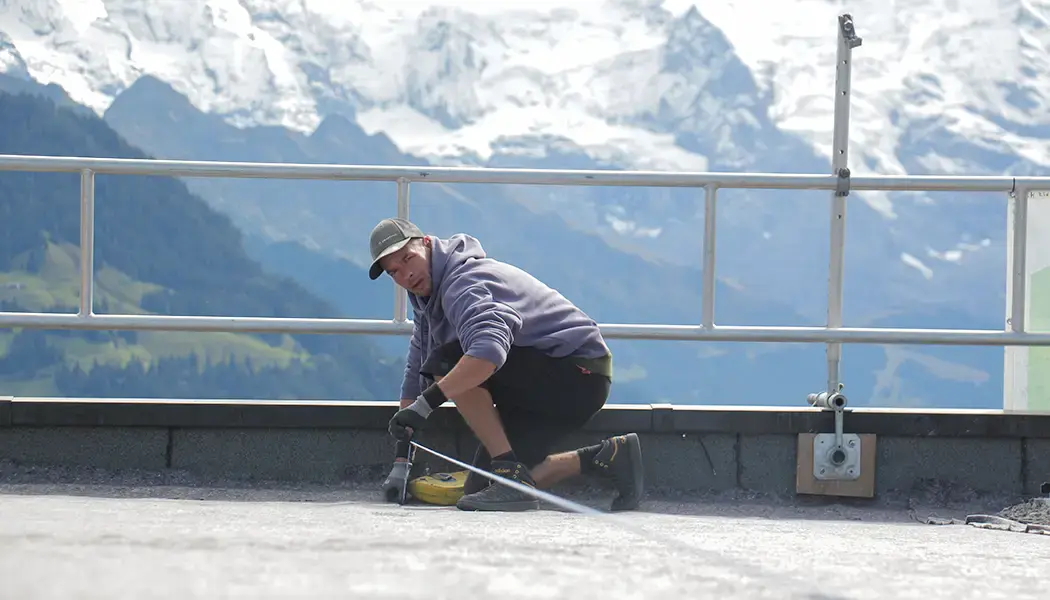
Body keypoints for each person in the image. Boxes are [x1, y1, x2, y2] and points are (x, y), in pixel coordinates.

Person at [369, 217, 644, 512]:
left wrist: (425, 406)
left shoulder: (462, 283)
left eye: (408, 259)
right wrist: (401, 459)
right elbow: (416, 368)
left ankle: (506, 469)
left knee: (446, 362)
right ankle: (609, 455)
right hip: (544, 379)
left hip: (576, 372)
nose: (406, 275)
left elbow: (488, 352)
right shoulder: (426, 297)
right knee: (482, 488)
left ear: (426, 243)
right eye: (394, 272)